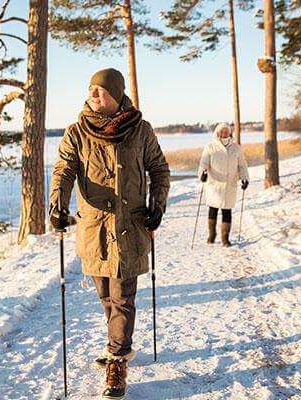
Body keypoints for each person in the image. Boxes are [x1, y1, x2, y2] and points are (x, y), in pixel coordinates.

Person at [49, 68, 170, 399]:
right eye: (90, 89)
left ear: (116, 95)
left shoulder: (140, 130)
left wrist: (156, 205)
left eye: (100, 90)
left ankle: (118, 358)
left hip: (130, 227)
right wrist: (56, 205)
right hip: (94, 229)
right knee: (105, 295)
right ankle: (118, 342)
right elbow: (64, 170)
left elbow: (159, 169)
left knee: (122, 296)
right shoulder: (77, 132)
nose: (93, 94)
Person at [198, 123, 249, 247]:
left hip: (230, 184)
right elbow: (203, 163)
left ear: (229, 133)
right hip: (214, 184)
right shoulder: (210, 147)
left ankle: (225, 238)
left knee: (227, 211)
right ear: (217, 132)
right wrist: (202, 174)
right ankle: (212, 234)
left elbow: (242, 165)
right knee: (213, 209)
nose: (224, 134)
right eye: (222, 131)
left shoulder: (236, 148)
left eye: (226, 132)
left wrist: (245, 178)